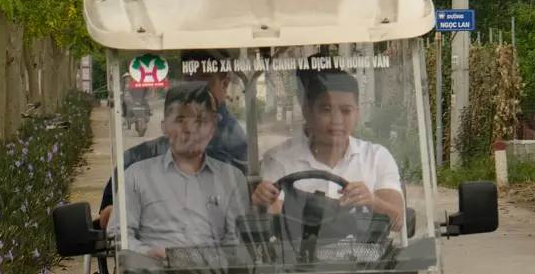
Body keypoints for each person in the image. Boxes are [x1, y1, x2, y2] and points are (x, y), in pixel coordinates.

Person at [99, 49, 248, 230]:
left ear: (224, 84)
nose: (195, 88)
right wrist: (112, 203)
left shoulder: (232, 140)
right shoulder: (142, 160)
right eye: (190, 80)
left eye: (204, 80)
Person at [115, 82, 249, 258]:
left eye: (200, 121)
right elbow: (119, 236)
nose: (190, 129)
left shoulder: (232, 178)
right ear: (164, 127)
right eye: (180, 120)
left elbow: (237, 241)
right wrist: (147, 254)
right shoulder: (136, 176)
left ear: (212, 129)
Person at [250, 69, 405, 222]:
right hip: (298, 247)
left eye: (346, 111)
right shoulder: (280, 159)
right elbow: (276, 222)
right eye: (326, 109)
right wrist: (264, 200)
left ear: (357, 114)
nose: (336, 120)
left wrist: (371, 200)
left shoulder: (377, 158)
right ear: (307, 113)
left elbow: (399, 222)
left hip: (365, 247)